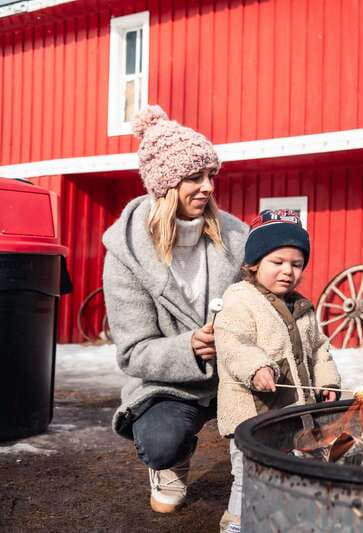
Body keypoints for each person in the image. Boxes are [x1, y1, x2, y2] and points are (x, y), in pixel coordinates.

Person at [102, 105, 248, 513]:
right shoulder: (126, 254)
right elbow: (133, 352)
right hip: (168, 382)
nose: (207, 187)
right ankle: (171, 461)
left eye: (210, 176)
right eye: (194, 177)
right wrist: (189, 348)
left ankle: (258, 473)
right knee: (163, 442)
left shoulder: (236, 237)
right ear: (165, 183)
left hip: (235, 370)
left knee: (279, 419)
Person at [214, 209, 341, 533]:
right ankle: (238, 522)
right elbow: (232, 342)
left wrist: (327, 381)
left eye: (296, 264)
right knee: (250, 471)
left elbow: (319, 348)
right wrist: (256, 366)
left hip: (296, 411)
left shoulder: (302, 307)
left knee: (302, 463)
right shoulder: (239, 299)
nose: (288, 271)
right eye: (278, 262)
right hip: (253, 413)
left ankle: (294, 517)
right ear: (254, 263)